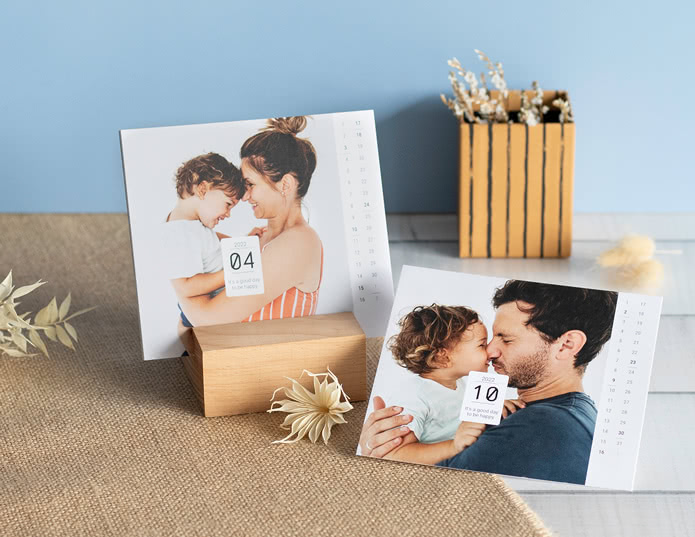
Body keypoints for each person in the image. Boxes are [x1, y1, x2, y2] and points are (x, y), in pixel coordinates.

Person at [359, 280, 618, 485]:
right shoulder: (553, 413)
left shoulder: (544, 426)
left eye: (506, 339)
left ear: (567, 345)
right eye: (489, 340)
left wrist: (379, 458)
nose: (491, 351)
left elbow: (424, 492)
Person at [177, 117, 323, 325]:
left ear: (285, 184)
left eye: (250, 184)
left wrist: (177, 282)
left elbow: (206, 319)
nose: (244, 197)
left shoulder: (298, 243)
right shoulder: (262, 238)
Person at [376, 305, 494, 465]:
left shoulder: (459, 381)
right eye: (482, 345)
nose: (490, 351)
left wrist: (495, 410)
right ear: (442, 358)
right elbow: (395, 454)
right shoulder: (414, 394)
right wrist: (453, 446)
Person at [162, 153, 245, 332]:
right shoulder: (179, 234)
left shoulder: (192, 226)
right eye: (228, 204)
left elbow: (212, 242)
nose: (228, 213)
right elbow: (185, 286)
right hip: (204, 315)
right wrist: (232, 273)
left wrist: (244, 243)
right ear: (203, 189)